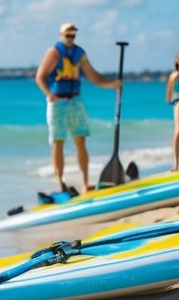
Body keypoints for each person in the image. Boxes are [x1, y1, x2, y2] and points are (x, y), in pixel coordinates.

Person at [34, 23, 122, 194]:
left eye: (73, 35)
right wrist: (49, 94)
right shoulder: (54, 52)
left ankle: (85, 183)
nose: (71, 38)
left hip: (75, 101)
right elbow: (40, 77)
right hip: (58, 103)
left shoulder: (79, 54)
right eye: (68, 35)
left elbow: (93, 75)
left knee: (81, 140)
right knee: (58, 142)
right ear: (61, 35)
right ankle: (60, 183)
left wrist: (112, 84)